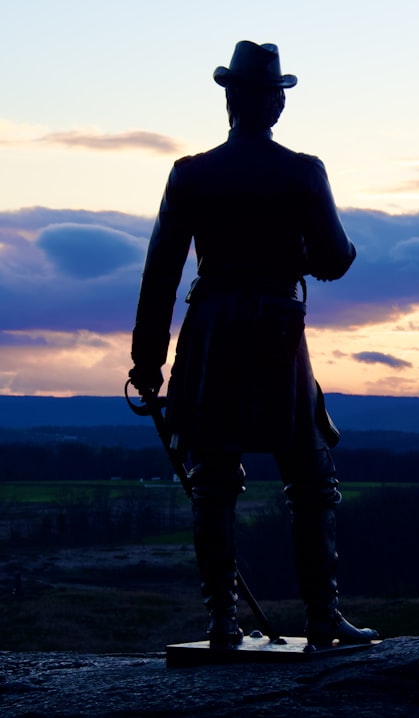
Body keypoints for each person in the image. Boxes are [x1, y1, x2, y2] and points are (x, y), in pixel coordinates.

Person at [129, 40, 377, 649]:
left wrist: (148, 362)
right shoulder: (301, 171)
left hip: (212, 330)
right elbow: (336, 259)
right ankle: (322, 616)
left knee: (214, 479)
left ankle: (221, 622)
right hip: (276, 332)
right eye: (275, 94)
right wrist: (296, 252)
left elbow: (161, 269)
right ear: (270, 103)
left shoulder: (192, 173)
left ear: (229, 99)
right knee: (312, 478)